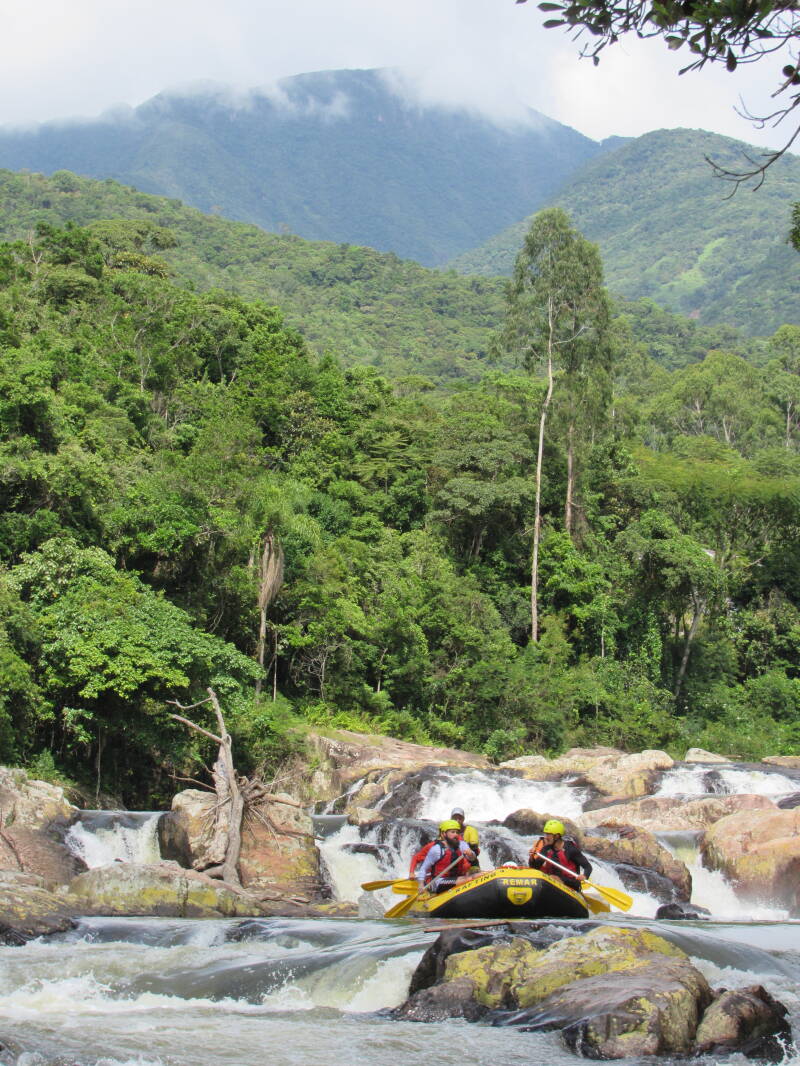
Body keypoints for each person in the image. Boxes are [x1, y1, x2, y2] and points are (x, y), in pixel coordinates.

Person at [529, 819, 592, 891]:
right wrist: (531, 857)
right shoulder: (546, 849)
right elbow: (535, 867)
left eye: (548, 834)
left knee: (553, 877)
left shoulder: (570, 849)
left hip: (571, 884)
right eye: (546, 834)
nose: (546, 837)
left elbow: (588, 866)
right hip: (551, 881)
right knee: (552, 877)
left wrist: (584, 876)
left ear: (556, 836)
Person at [416, 819, 477, 894]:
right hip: (438, 881)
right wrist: (421, 885)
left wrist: (470, 854)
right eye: (452, 832)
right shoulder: (436, 849)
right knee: (469, 879)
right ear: (444, 834)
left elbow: (472, 858)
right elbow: (423, 868)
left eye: (457, 832)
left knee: (479, 875)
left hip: (457, 877)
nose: (456, 835)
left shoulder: (461, 844)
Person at [450, 807, 480, 871]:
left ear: (463, 819)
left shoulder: (471, 830)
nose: (457, 820)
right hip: (453, 863)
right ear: (451, 819)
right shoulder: (447, 832)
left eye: (460, 818)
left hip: (470, 862)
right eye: (455, 818)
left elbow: (474, 848)